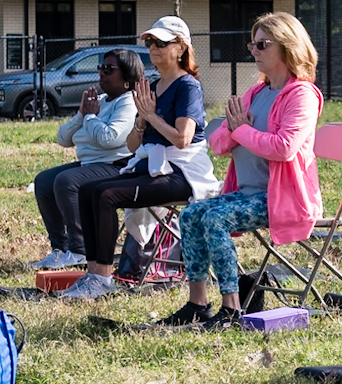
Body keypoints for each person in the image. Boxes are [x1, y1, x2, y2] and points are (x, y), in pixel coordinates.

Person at [158, 12, 324, 330]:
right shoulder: (256, 93)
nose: (254, 51)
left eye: (262, 44)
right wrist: (237, 130)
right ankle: (197, 303)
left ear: (288, 47)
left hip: (281, 199)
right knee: (192, 215)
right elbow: (219, 143)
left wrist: (243, 132)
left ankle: (232, 309)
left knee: (214, 218)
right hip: (246, 194)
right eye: (253, 44)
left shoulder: (302, 95)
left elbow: (284, 147)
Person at [57, 17, 220, 301]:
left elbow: (182, 139)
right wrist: (142, 121)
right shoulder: (152, 87)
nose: (153, 48)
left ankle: (103, 279)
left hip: (182, 174)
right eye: (149, 43)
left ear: (181, 48)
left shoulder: (188, 87)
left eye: (161, 43)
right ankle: (94, 273)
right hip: (151, 164)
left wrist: (152, 116)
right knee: (87, 191)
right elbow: (134, 145)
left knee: (107, 195)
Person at [29, 48, 141, 270]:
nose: (102, 73)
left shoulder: (129, 102)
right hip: (92, 164)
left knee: (66, 181)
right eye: (100, 68)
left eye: (109, 69)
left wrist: (89, 118)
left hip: (119, 165)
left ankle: (79, 250)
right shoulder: (97, 100)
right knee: (44, 181)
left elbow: (110, 138)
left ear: (127, 79)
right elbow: (64, 138)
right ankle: (60, 249)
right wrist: (82, 114)